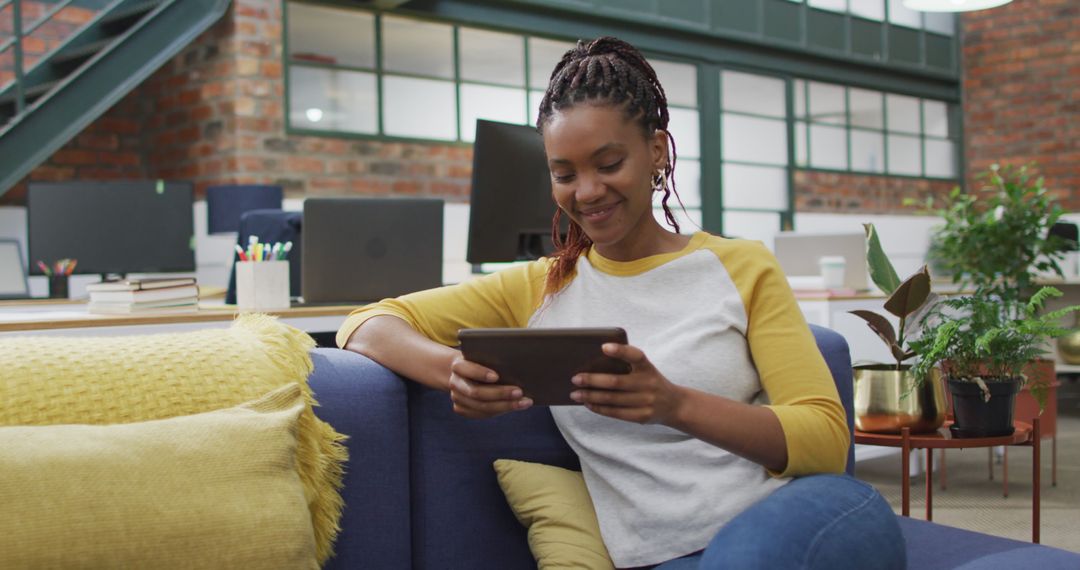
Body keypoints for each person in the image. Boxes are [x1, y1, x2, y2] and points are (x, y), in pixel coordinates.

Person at [337, 36, 905, 569]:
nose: (586, 191)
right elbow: (366, 323)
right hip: (663, 554)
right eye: (564, 173)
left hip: (795, 518)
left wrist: (673, 404)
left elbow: (826, 440)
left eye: (609, 165)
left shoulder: (742, 267)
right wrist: (451, 371)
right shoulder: (540, 287)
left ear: (656, 151)